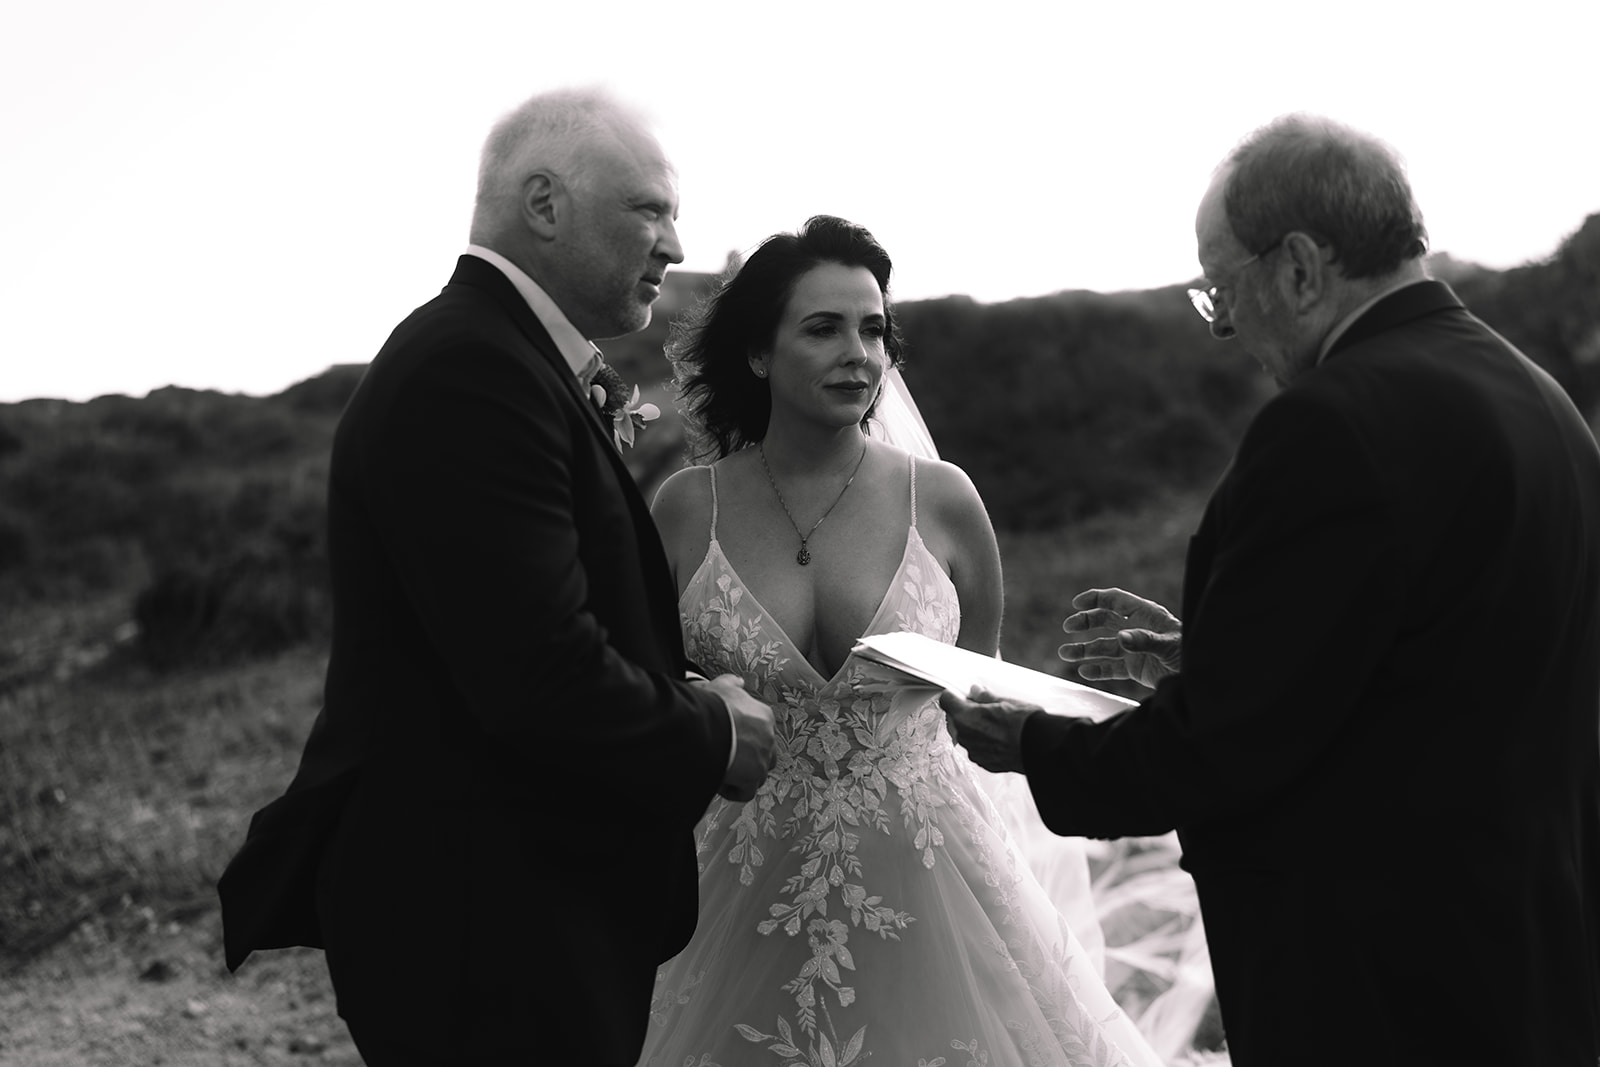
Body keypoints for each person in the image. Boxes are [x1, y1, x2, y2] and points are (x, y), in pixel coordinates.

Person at [942, 113, 1600, 1065]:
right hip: (1532, 951)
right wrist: (1219, 647)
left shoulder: (1330, 427)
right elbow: (1440, 651)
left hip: (1380, 980)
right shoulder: (1541, 403)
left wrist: (1034, 742)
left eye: (1222, 288)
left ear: (1298, 267)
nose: (1226, 328)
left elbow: (1222, 749)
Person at [215, 88, 777, 1066]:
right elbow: (538, 674)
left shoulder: (504, 360)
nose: (676, 245)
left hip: (514, 904)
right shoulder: (468, 373)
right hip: (486, 919)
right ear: (545, 204)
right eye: (650, 208)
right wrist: (714, 727)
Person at [640, 216, 1164, 1067]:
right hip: (737, 885)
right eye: (824, 328)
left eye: (874, 328)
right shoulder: (683, 509)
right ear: (758, 354)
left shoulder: (946, 502)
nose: (860, 352)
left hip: (930, 876)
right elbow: (649, 698)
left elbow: (984, 708)